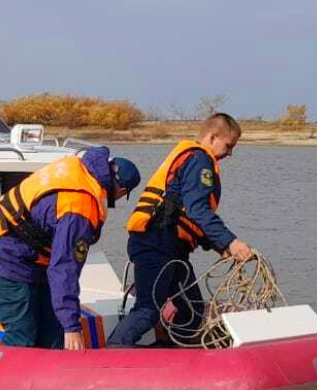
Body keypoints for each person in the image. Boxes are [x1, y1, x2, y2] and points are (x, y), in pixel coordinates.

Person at [0, 147, 142, 350]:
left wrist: (64, 325)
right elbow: (64, 267)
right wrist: (72, 328)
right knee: (22, 334)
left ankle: (52, 371)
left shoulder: (79, 168)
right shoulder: (79, 208)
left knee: (52, 331)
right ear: (121, 192)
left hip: (27, 257)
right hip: (4, 256)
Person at [107, 113, 253, 348]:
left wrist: (220, 246)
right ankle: (114, 351)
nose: (229, 153)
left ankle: (172, 358)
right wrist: (231, 242)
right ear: (213, 137)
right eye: (228, 146)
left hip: (172, 247)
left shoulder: (194, 158)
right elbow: (198, 211)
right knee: (148, 309)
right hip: (155, 243)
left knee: (192, 312)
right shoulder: (199, 161)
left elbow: (189, 215)